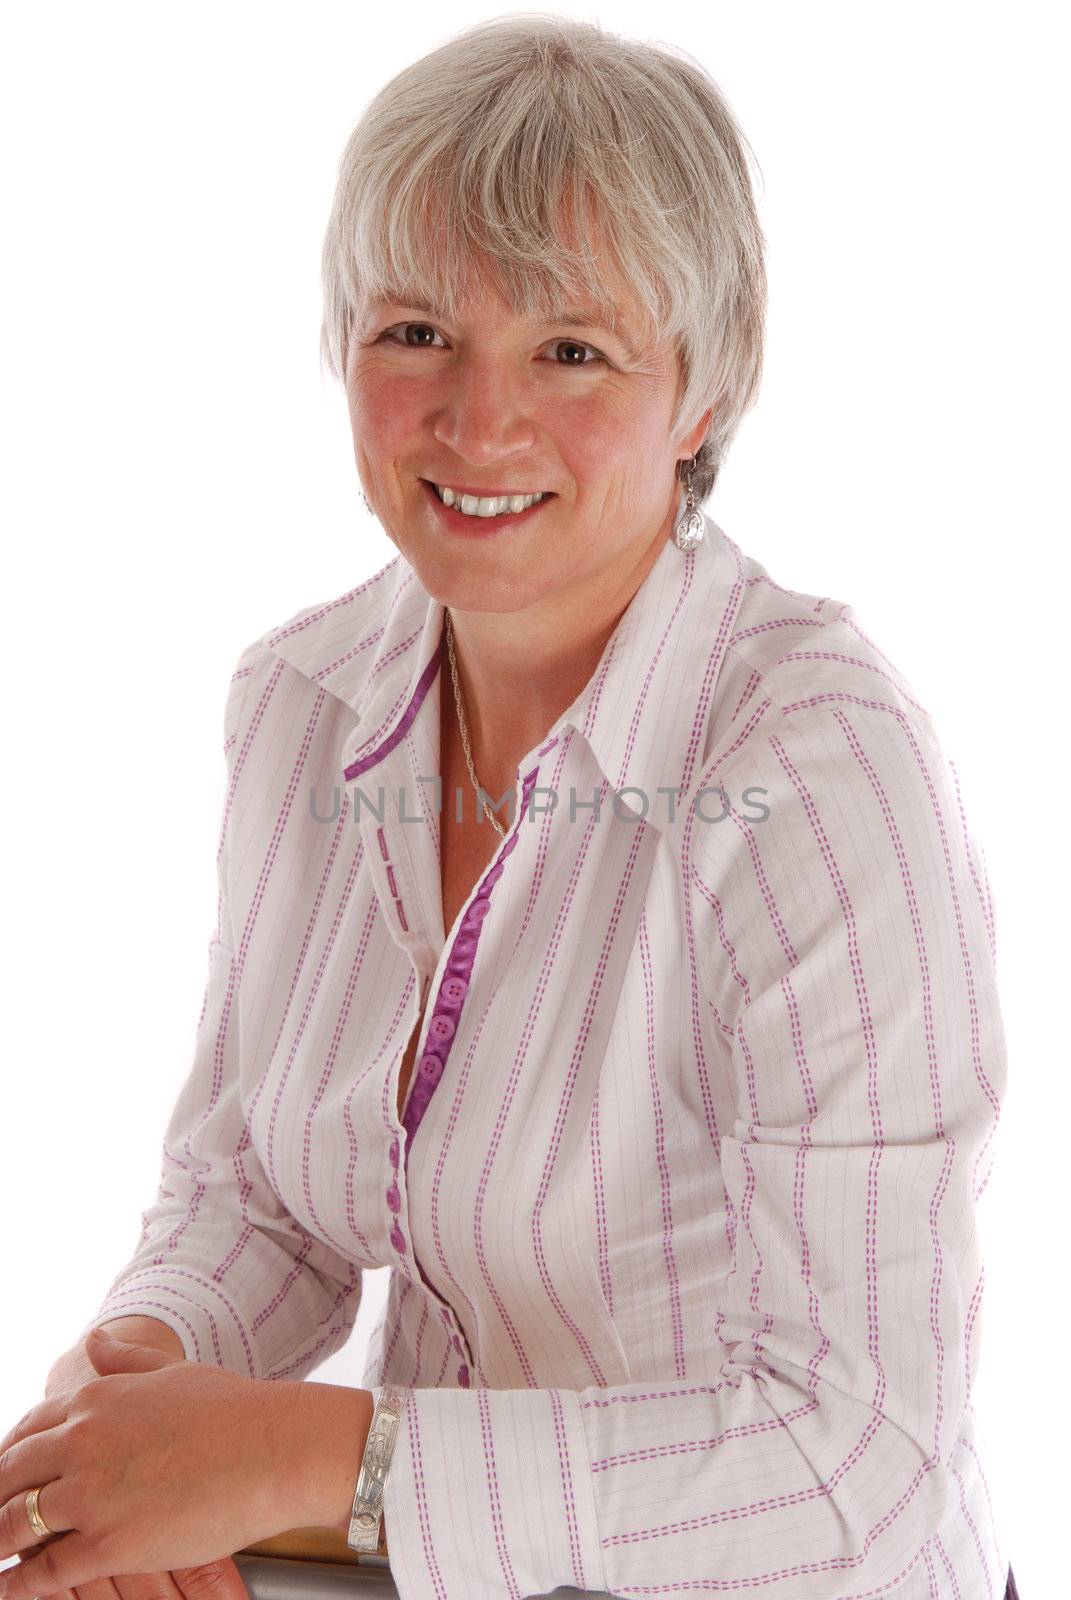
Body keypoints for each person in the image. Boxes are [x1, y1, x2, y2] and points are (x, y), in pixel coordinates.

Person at [0, 15, 1017, 1600]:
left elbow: (856, 1461)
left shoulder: (822, 771)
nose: (479, 423)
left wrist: (302, 1461)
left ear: (702, 392)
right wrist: (141, 1388)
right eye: (416, 333)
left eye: (572, 349)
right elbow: (256, 1193)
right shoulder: (299, 701)